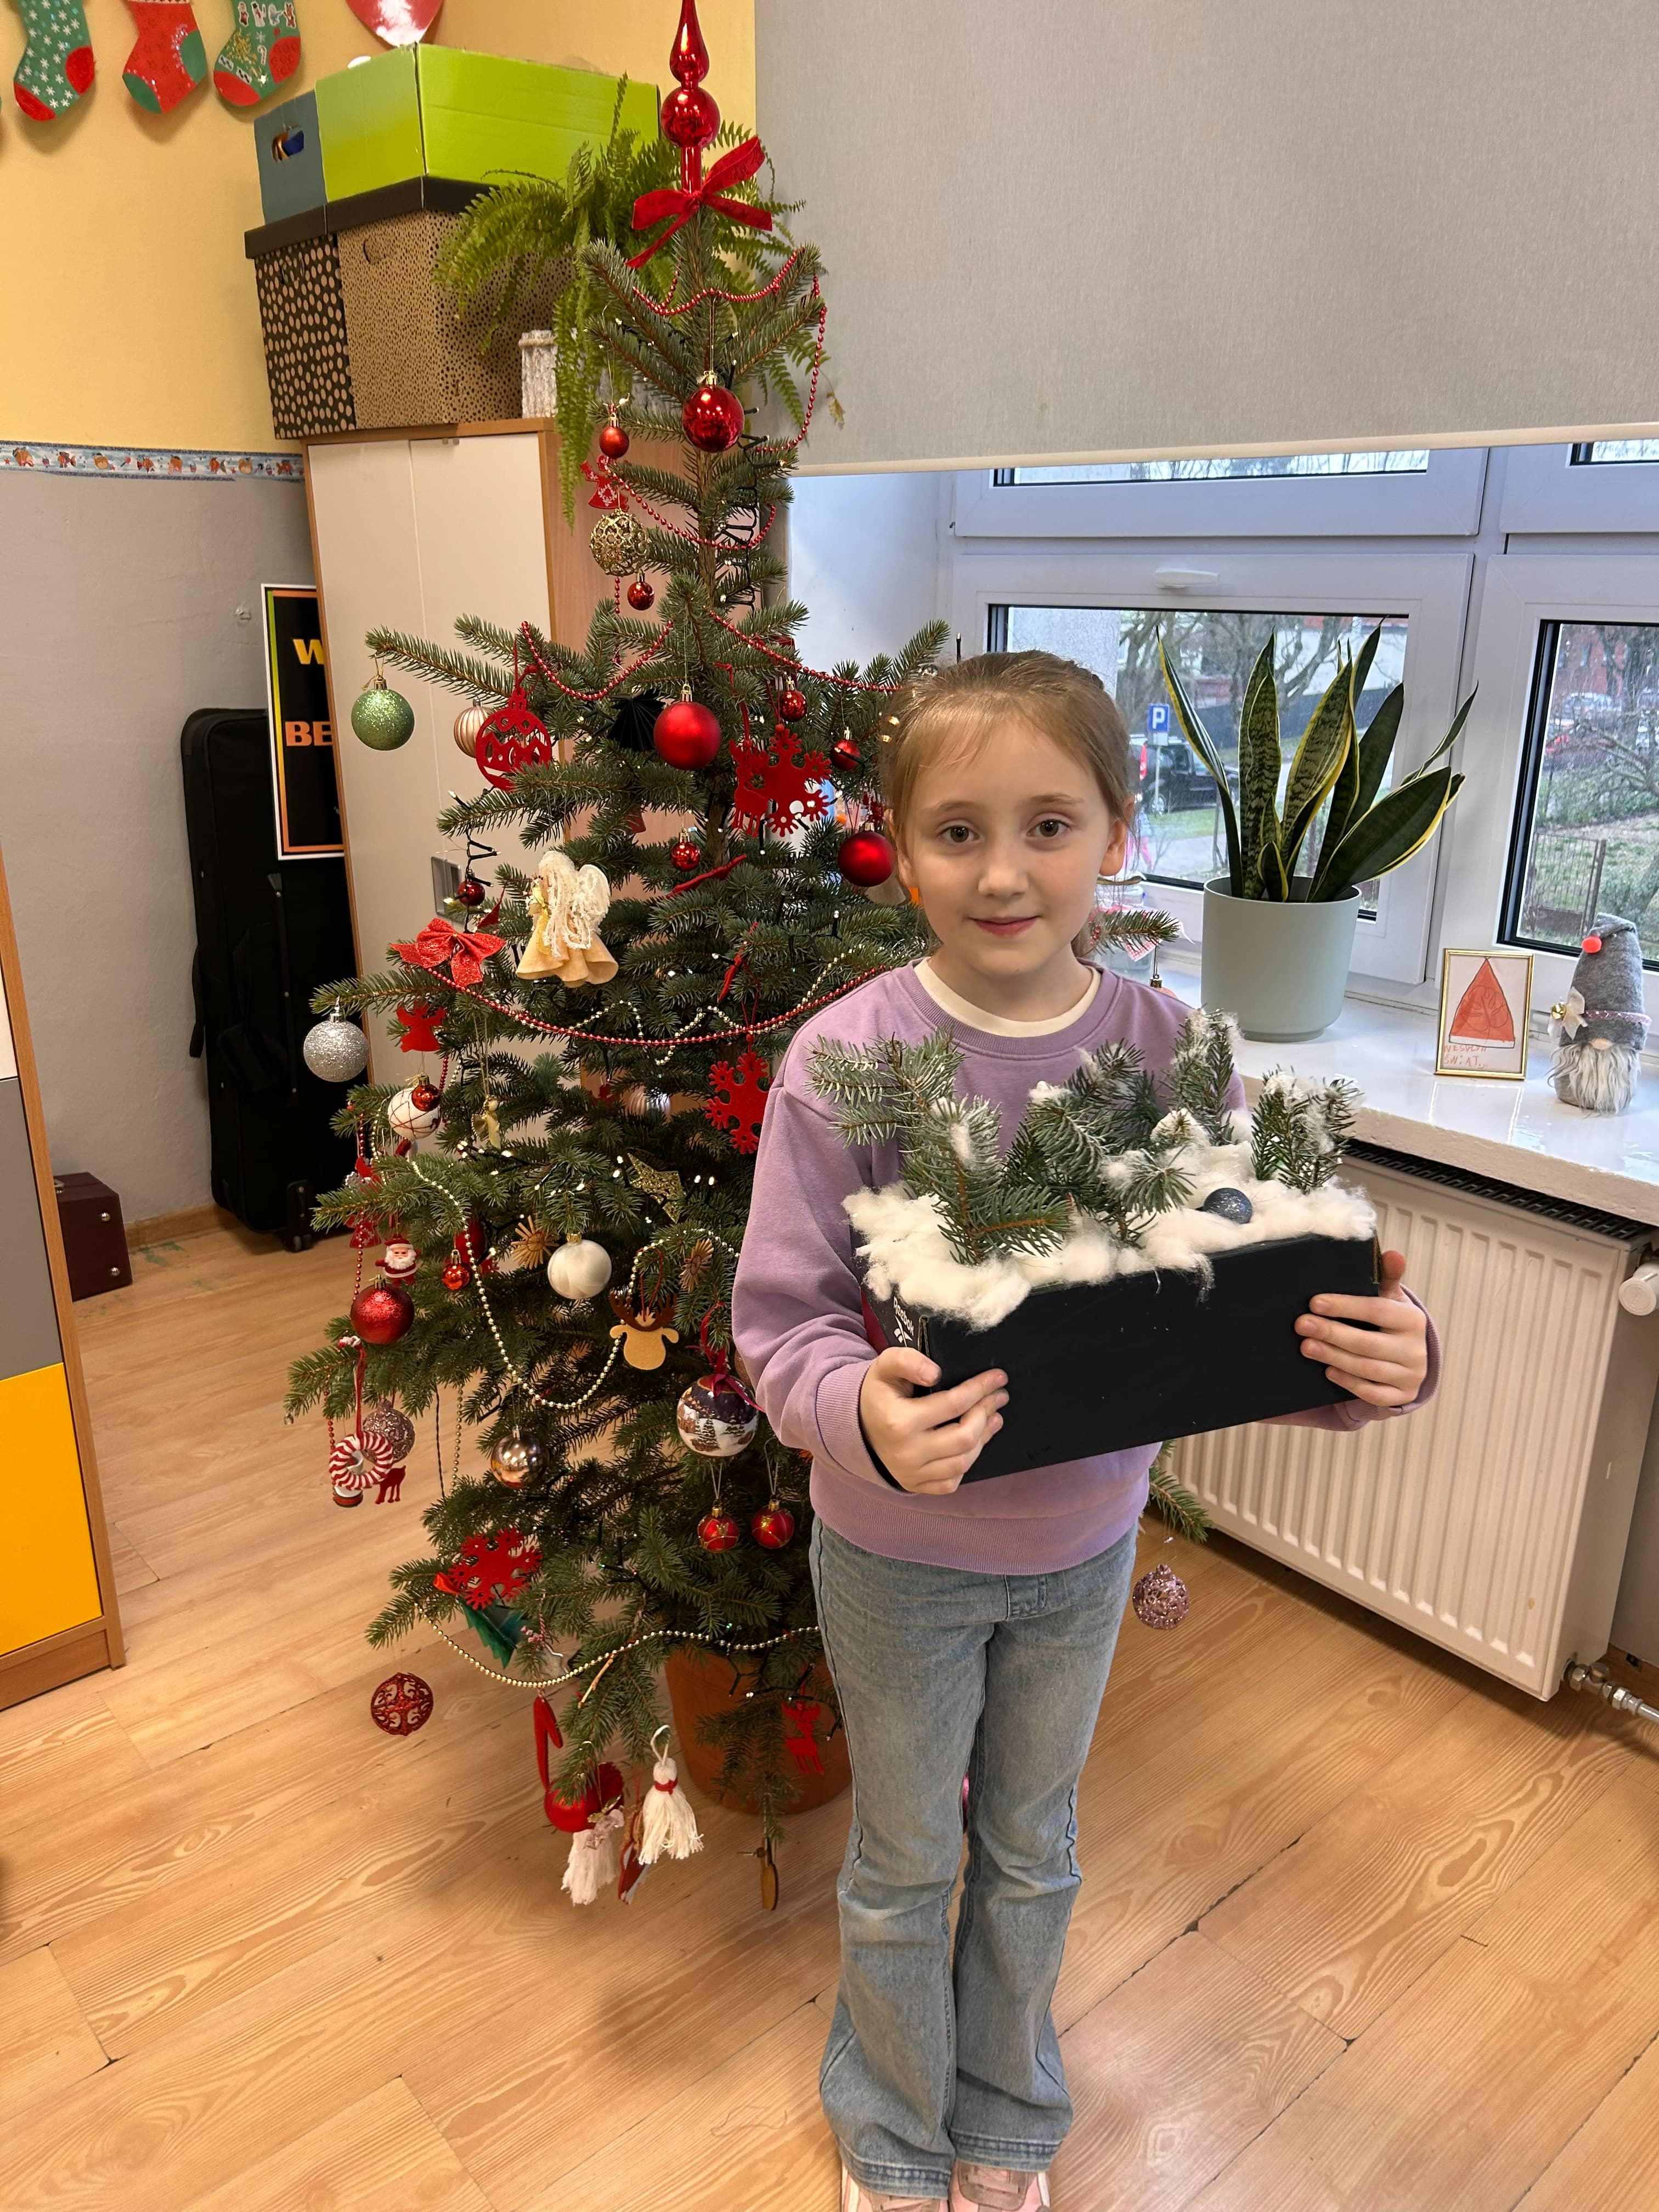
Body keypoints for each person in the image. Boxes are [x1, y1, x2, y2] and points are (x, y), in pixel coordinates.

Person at [732, 651, 1438, 2212]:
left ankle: (1007, 2113)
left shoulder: (1172, 1050)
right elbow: (781, 1325)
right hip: (897, 1559)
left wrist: (1380, 1357)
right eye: (958, 831)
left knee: (1033, 1849)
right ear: (899, 845)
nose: (1003, 873)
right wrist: (854, 1412)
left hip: (1082, 1554)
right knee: (906, 1860)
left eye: (1048, 825)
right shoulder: (843, 1061)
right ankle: (893, 2128)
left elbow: (1248, 1289)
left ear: (1119, 834)